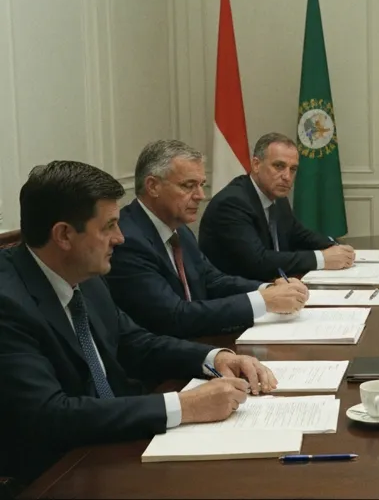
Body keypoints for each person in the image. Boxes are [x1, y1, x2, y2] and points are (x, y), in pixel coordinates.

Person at [0, 160, 278, 485]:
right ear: (64, 235)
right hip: (56, 473)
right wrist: (183, 406)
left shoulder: (85, 274)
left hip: (115, 445)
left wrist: (214, 358)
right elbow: (51, 415)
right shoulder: (8, 302)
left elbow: (134, 342)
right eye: (108, 226)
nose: (119, 238)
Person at [106, 140, 309, 339]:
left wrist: (269, 290)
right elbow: (174, 316)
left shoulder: (180, 230)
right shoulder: (127, 240)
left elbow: (213, 280)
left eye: (201, 185)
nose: (201, 195)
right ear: (153, 186)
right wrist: (262, 302)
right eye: (188, 186)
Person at [199, 133, 355, 281]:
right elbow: (258, 261)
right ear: (256, 165)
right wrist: (321, 259)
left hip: (271, 287)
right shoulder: (232, 203)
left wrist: (336, 246)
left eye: (293, 169)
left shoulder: (278, 198)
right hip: (235, 293)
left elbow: (299, 235)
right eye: (279, 166)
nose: (287, 177)